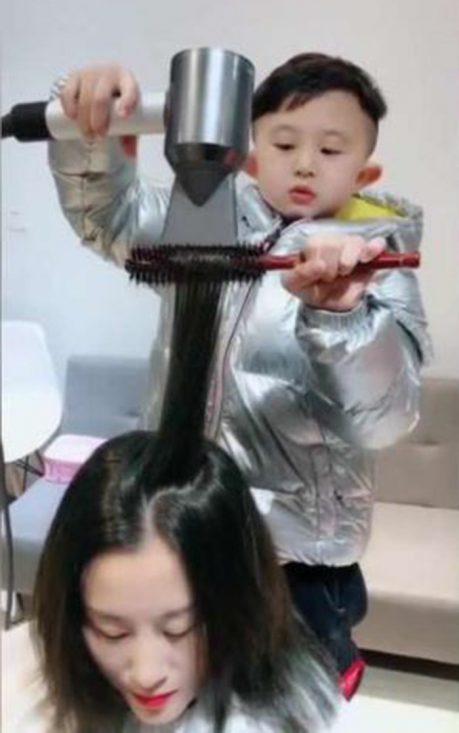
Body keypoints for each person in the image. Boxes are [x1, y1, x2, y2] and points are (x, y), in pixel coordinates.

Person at [47, 51, 431, 696]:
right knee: (189, 696)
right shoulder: (202, 225)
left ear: (365, 172)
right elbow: (106, 218)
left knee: (288, 704)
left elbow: (384, 423)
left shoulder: (378, 264)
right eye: (284, 143)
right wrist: (88, 124)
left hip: (295, 562)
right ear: (251, 158)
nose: (305, 164)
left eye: (330, 149)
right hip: (184, 528)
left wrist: (342, 316)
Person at [6, 271, 342, 733]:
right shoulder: (26, 686)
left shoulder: (292, 717)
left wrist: (343, 316)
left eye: (179, 628)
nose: (146, 673)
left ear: (239, 605)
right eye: (111, 630)